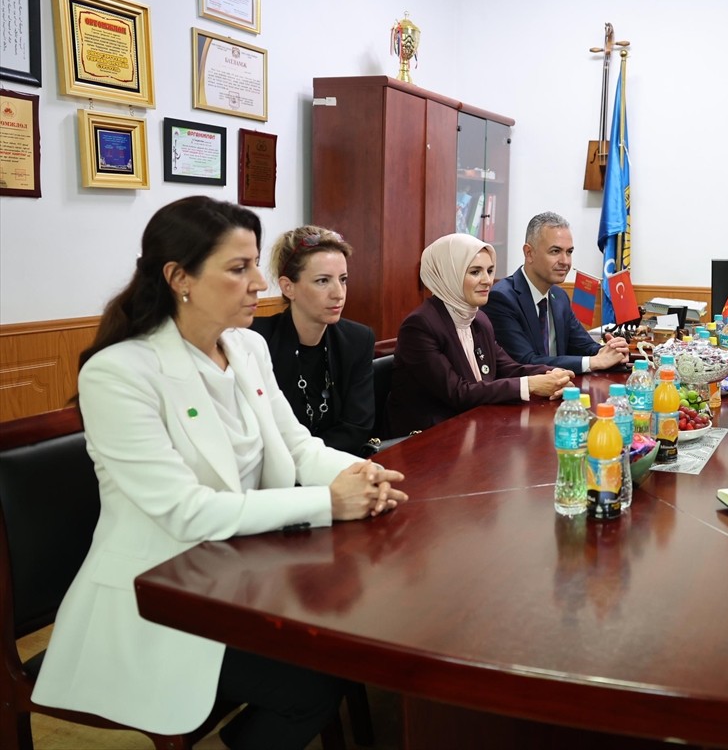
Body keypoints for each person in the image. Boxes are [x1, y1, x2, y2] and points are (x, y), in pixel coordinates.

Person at [30, 196, 407, 750]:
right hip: (159, 594)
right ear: (179, 277)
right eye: (239, 268)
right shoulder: (119, 373)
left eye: (255, 264)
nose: (259, 282)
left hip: (247, 572)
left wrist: (370, 475)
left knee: (350, 644)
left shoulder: (247, 347)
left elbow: (299, 447)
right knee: (311, 685)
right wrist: (329, 502)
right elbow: (187, 512)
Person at [388, 233, 574, 434]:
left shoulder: (479, 319)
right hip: (426, 439)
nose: (487, 280)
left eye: (490, 270)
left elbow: (508, 367)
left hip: (472, 426)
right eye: (475, 272)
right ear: (448, 274)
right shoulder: (420, 325)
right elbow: (458, 393)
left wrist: (551, 375)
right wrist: (530, 385)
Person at [251, 226, 378, 456]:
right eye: (322, 281)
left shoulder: (358, 340)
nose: (338, 293)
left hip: (334, 467)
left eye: (343, 279)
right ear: (288, 287)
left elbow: (357, 428)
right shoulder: (257, 341)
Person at [482, 212, 629, 374]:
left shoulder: (559, 297)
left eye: (569, 252)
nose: (565, 261)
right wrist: (594, 361)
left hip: (560, 390)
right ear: (529, 253)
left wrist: (610, 351)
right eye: (555, 251)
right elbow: (525, 362)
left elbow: (583, 345)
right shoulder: (501, 298)